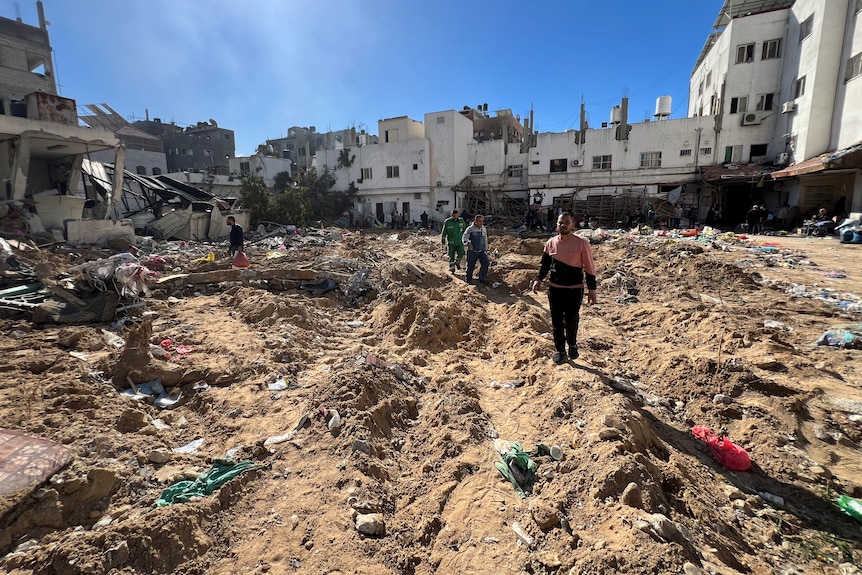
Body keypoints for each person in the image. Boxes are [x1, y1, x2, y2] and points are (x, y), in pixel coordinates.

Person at [531, 211, 597, 364]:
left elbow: (589, 267)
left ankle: (572, 344)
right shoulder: (551, 243)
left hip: (574, 289)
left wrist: (592, 289)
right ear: (557, 224)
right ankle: (560, 350)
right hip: (555, 289)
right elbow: (545, 264)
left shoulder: (581, 243)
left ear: (573, 224)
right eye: (561, 222)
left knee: (571, 319)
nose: (563, 225)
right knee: (556, 322)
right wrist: (538, 279)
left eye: (567, 222)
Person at [462, 214, 489, 285]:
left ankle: (482, 278)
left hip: (481, 251)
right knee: (470, 266)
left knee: (486, 263)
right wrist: (468, 243)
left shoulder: (483, 228)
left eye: (482, 221)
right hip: (472, 251)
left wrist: (486, 249)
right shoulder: (470, 229)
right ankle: (468, 280)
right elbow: (464, 237)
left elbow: (485, 239)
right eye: (480, 221)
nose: (481, 223)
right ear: (476, 221)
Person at [440, 209, 466, 274]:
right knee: (451, 256)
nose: (454, 216)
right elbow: (444, 231)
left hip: (459, 242)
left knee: (461, 253)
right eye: (453, 215)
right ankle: (452, 270)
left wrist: (466, 238)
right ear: (451, 215)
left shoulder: (461, 221)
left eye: (456, 215)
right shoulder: (447, 222)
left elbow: (465, 231)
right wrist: (443, 240)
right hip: (451, 243)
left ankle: (457, 262)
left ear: (457, 215)